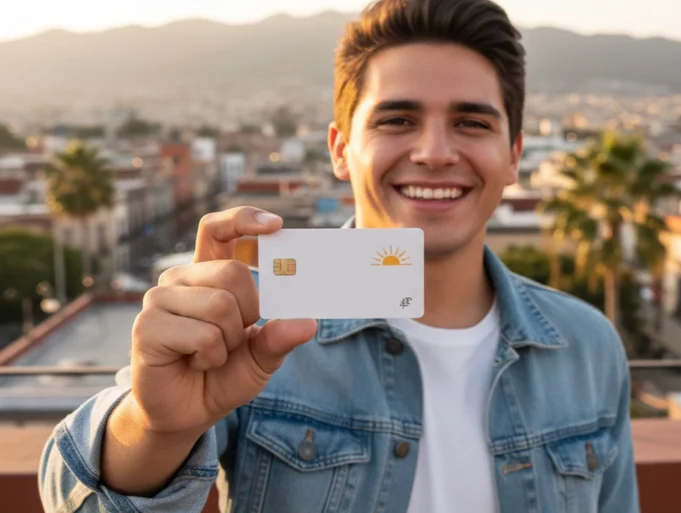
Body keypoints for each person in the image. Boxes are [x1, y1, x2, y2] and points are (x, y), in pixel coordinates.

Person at [39, 0, 639, 511]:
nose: (434, 151)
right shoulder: (254, 321)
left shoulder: (587, 347)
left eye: (471, 123)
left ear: (513, 155)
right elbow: (69, 489)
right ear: (341, 149)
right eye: (398, 119)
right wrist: (155, 425)